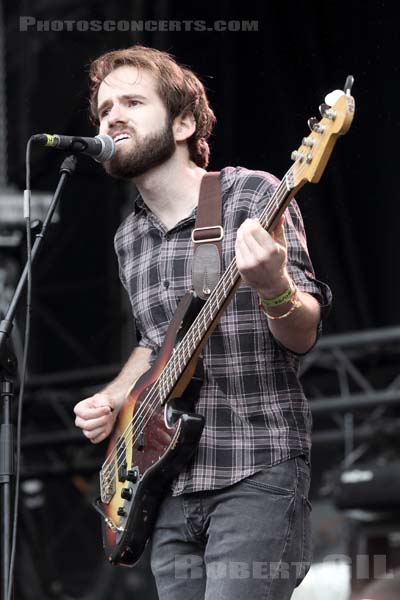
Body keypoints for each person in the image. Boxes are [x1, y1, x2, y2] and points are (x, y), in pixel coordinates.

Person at [74, 45, 331, 600]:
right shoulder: (129, 238)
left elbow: (304, 332)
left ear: (185, 122)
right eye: (104, 109)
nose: (112, 116)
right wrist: (115, 399)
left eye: (133, 102)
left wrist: (274, 287)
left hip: (256, 470)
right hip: (165, 486)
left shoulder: (252, 195)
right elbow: (156, 340)